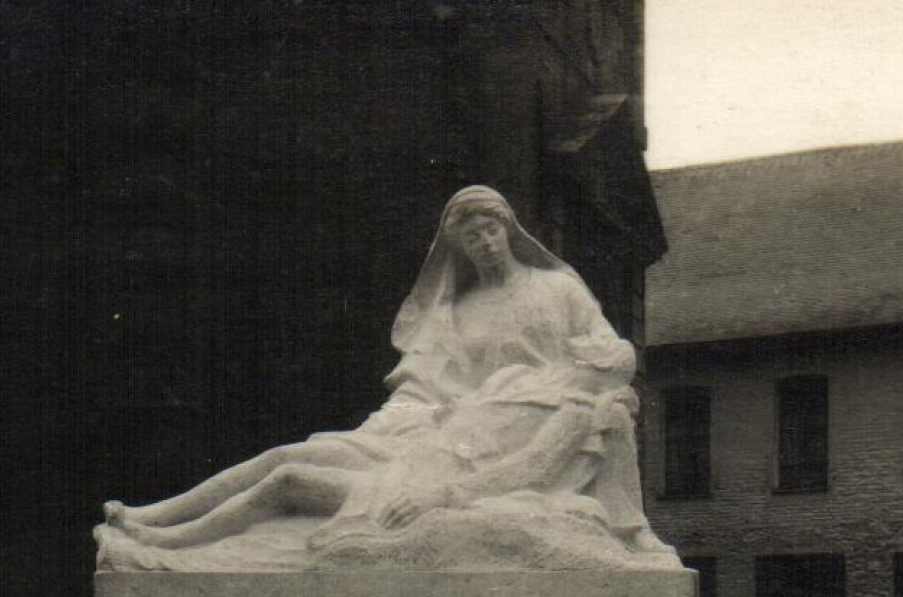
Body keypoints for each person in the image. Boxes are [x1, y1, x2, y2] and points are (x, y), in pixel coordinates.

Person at [93, 185, 675, 572]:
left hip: (454, 459)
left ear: (509, 230)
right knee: (287, 456)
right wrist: (393, 426)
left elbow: (609, 361)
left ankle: (166, 546)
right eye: (470, 235)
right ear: (459, 246)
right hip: (431, 433)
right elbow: (428, 387)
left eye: (491, 229)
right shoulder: (462, 314)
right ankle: (155, 519)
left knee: (292, 475)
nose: (484, 241)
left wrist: (597, 387)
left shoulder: (560, 300)